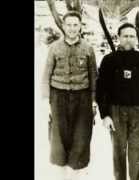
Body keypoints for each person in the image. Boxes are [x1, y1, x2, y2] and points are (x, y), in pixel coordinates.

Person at [42, 11, 97, 180]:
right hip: (58, 98)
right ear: (64, 26)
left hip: (82, 99)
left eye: (75, 25)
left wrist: (93, 101)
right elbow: (46, 76)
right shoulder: (54, 48)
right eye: (69, 25)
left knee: (80, 140)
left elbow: (94, 77)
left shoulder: (88, 49)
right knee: (59, 141)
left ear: (80, 26)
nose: (72, 29)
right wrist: (46, 102)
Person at [96, 23, 139, 180]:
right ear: (119, 37)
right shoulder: (108, 60)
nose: (128, 39)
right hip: (116, 111)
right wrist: (105, 114)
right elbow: (101, 89)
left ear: (136, 39)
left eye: (132, 36)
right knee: (118, 151)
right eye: (125, 36)